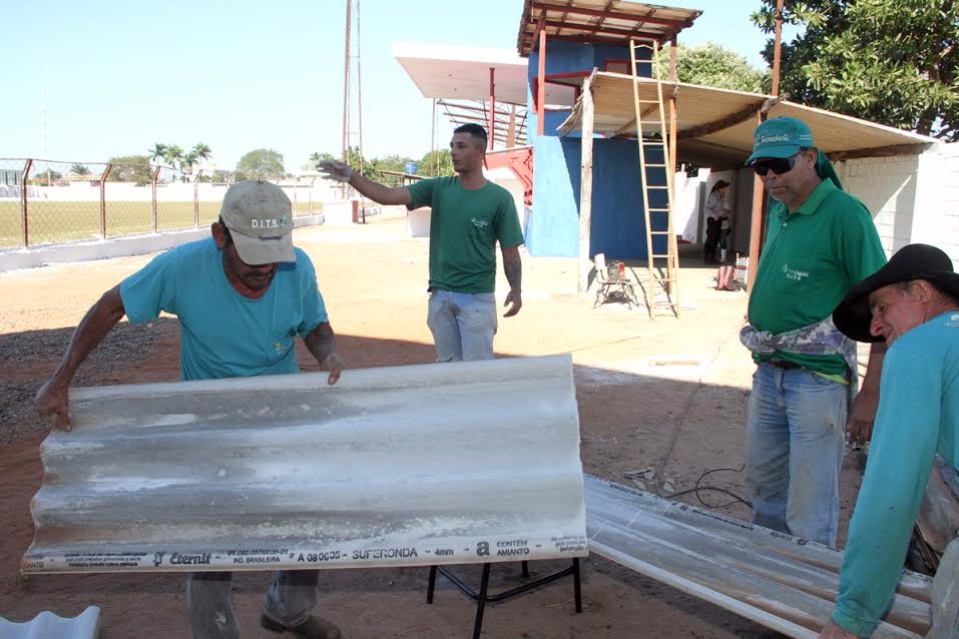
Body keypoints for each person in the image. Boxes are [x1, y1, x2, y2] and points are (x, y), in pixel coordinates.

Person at [34, 180, 344, 639]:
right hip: (206, 424)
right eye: (253, 260)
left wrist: (327, 353)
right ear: (221, 236)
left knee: (299, 512)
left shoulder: (296, 269)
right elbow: (109, 306)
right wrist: (61, 379)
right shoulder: (181, 268)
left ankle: (286, 611)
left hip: (278, 416)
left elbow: (314, 323)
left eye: (274, 257)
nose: (266, 272)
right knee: (211, 537)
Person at [740, 116, 887, 547]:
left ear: (808, 157)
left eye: (778, 165)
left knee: (809, 508)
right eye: (759, 167)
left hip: (816, 381)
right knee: (766, 492)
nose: (769, 176)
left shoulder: (845, 215)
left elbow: (883, 311)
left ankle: (806, 598)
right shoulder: (780, 210)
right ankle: (770, 589)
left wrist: (871, 396)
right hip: (769, 373)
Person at [818, 243, 959, 638]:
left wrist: (852, 615)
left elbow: (891, 492)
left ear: (921, 292)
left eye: (881, 307)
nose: (876, 327)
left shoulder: (918, 348)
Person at [318, 123, 524, 362]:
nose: (453, 152)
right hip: (440, 296)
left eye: (461, 146)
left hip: (477, 299)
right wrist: (351, 177)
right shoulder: (438, 188)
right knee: (446, 371)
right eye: (451, 146)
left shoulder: (499, 199)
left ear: (479, 152)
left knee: (476, 375)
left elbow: (510, 254)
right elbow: (387, 195)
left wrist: (516, 290)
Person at [703, 179, 730, 264]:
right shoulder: (714, 196)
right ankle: (708, 257)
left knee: (715, 240)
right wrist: (715, 216)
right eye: (724, 188)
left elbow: (727, 208)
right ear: (719, 188)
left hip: (719, 219)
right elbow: (706, 208)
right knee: (711, 239)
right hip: (713, 220)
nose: (725, 190)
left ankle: (712, 257)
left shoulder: (721, 197)